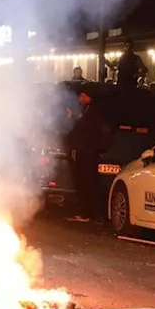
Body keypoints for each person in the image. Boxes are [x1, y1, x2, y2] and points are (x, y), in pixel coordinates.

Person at [67, 89, 109, 224]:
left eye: (82, 95)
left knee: (88, 182)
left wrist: (74, 118)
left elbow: (85, 130)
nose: (80, 98)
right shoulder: (89, 110)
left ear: (87, 96)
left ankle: (92, 213)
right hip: (86, 151)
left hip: (87, 152)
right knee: (87, 182)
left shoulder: (93, 112)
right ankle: (91, 213)